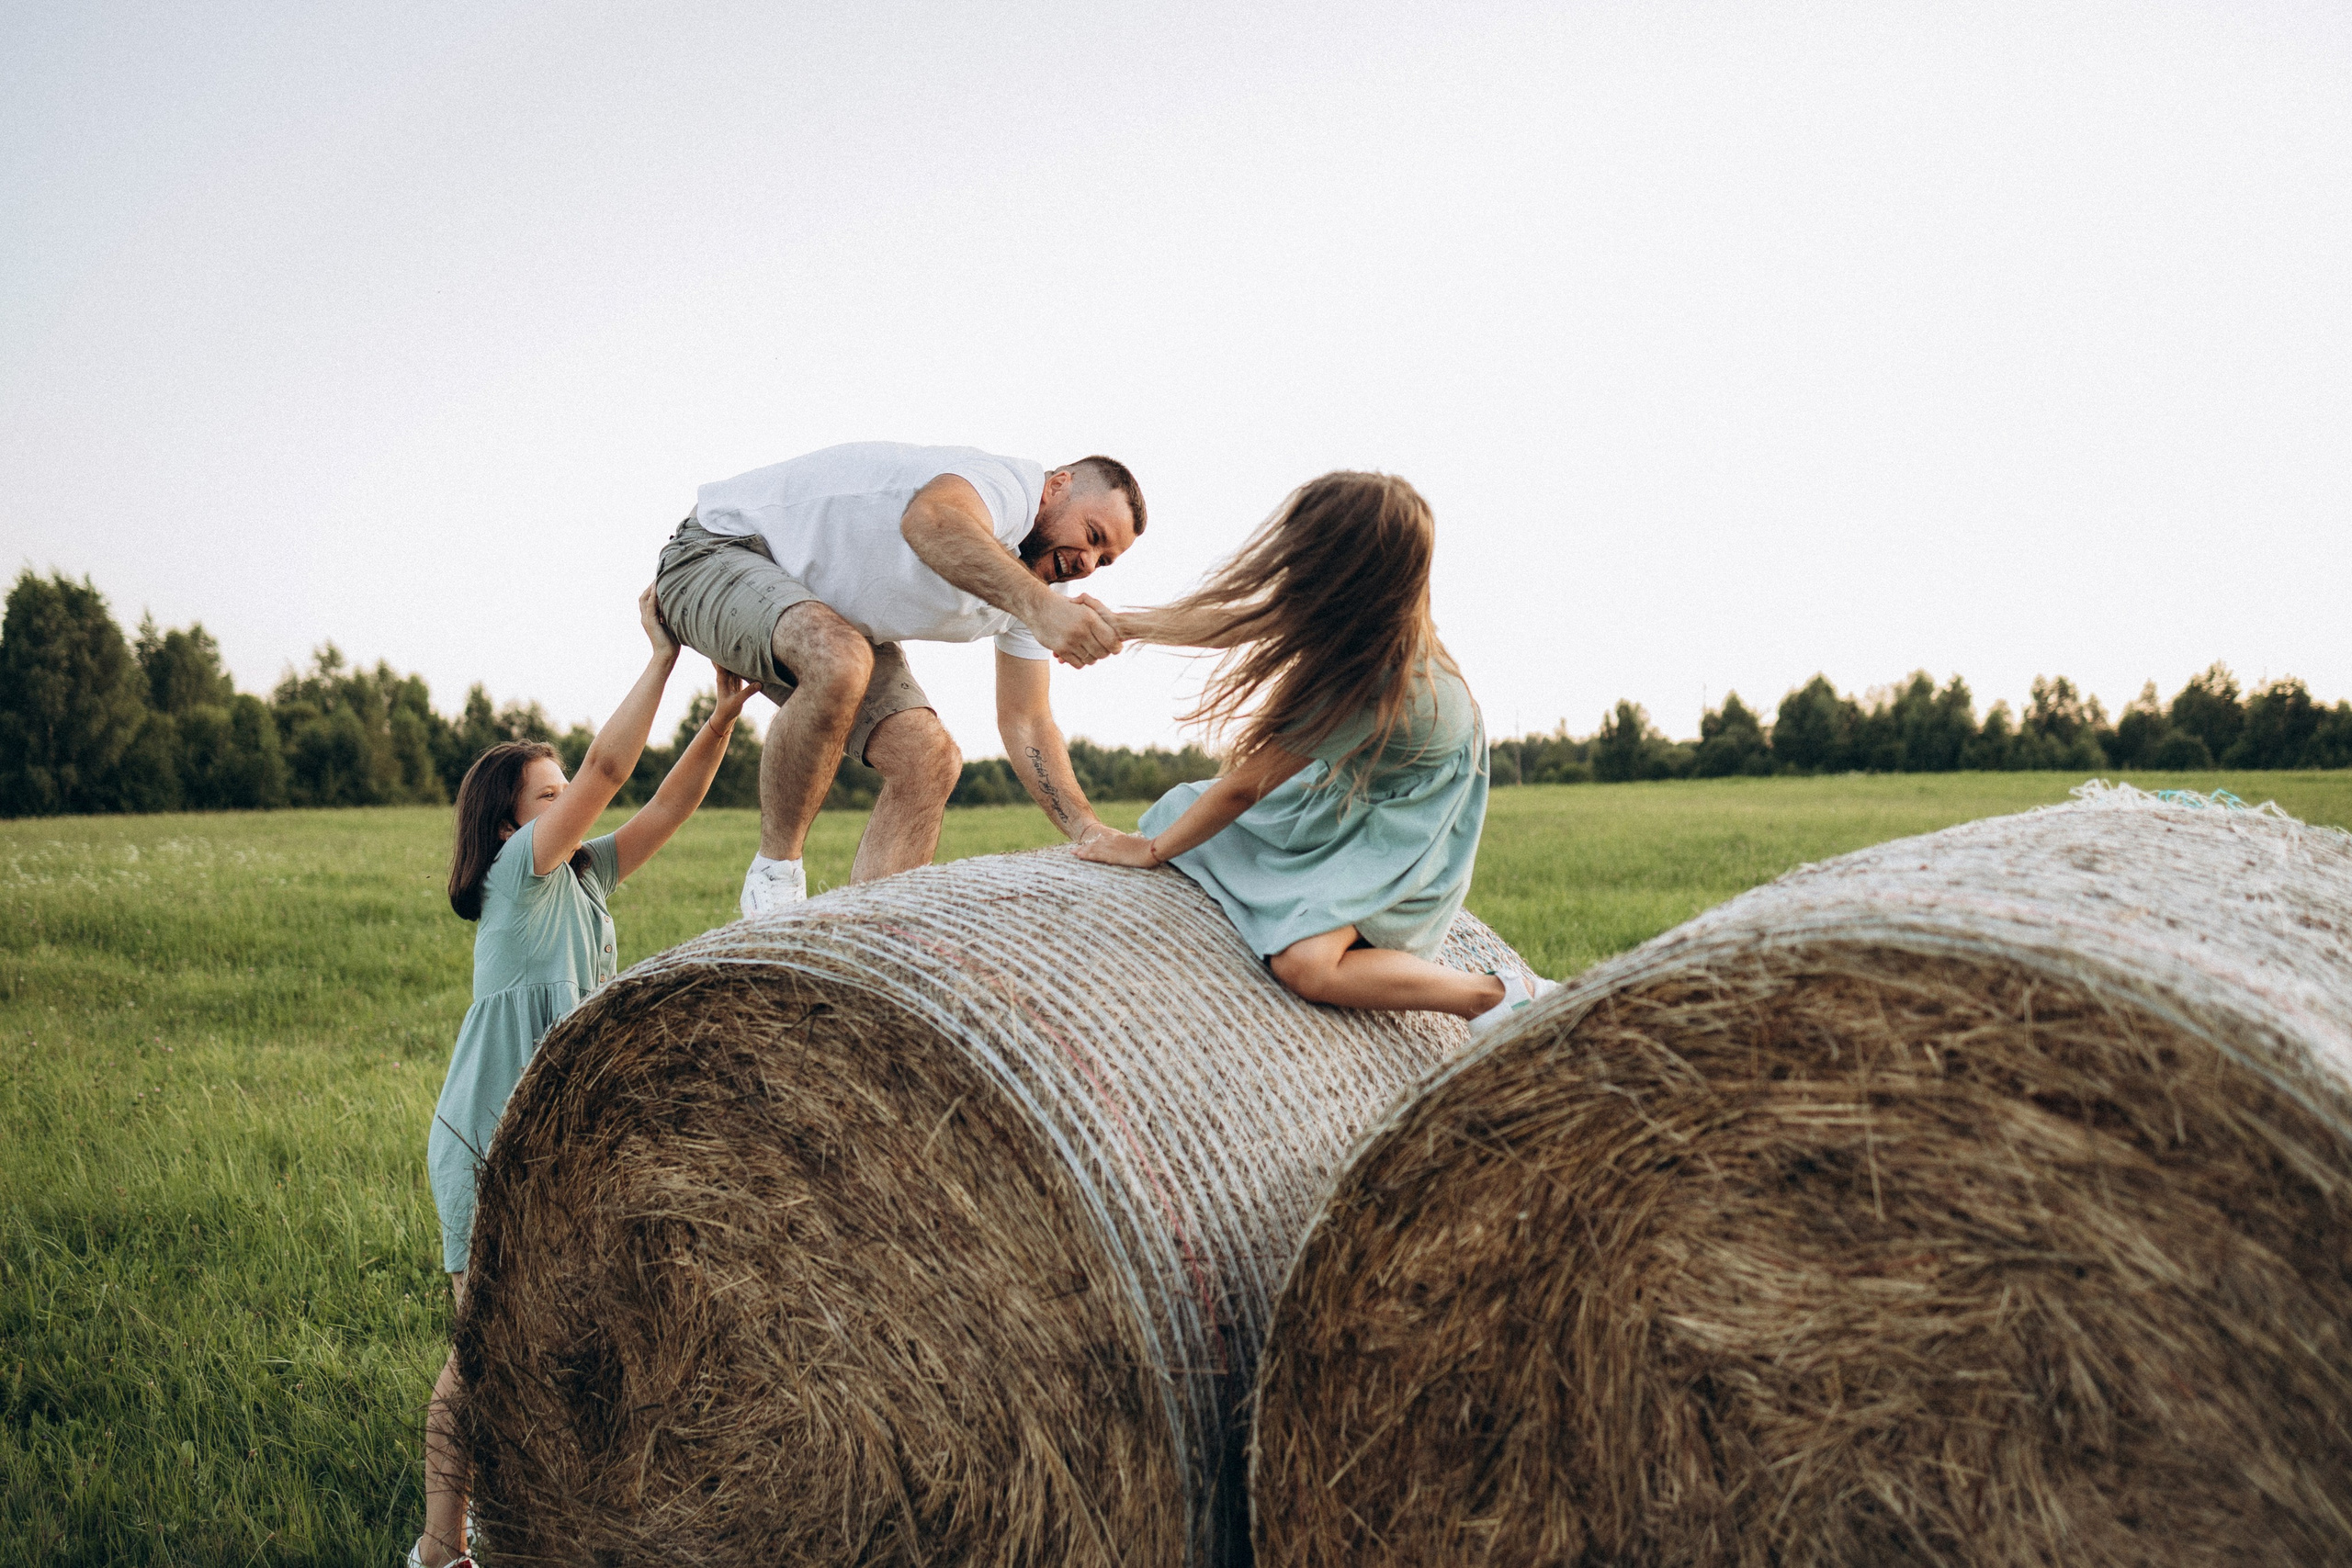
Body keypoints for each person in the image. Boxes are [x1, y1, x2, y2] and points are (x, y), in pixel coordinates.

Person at [409, 589, 752, 1568]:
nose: (569, 803)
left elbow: (666, 805)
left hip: (564, 1137)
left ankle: (564, 1523)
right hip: (488, 1132)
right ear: (511, 823)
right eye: (546, 795)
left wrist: (723, 715)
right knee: (480, 1350)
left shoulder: (585, 880)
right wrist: (664, 657)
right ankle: (440, 1548)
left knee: (573, 1339)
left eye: (564, 795)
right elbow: (611, 768)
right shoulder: (521, 873)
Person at [1076, 471, 1552, 1031]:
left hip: (1406, 816)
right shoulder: (1368, 612)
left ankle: (1494, 995)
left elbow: (1245, 787)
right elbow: (1235, 622)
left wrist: (1150, 851)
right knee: (1189, 815)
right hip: (1368, 780)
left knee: (1306, 965)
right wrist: (1123, 625)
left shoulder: (1372, 675)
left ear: (1339, 566)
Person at [653, 441, 1147, 917]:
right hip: (716, 550)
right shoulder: (1006, 487)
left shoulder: (1038, 589)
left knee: (930, 760)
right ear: (1057, 486)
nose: (1088, 563)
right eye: (1093, 535)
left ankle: (870, 943)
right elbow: (930, 520)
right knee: (841, 660)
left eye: (1104, 561)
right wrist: (1042, 609)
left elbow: (1028, 721)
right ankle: (774, 890)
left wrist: (1087, 828)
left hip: (825, 617)